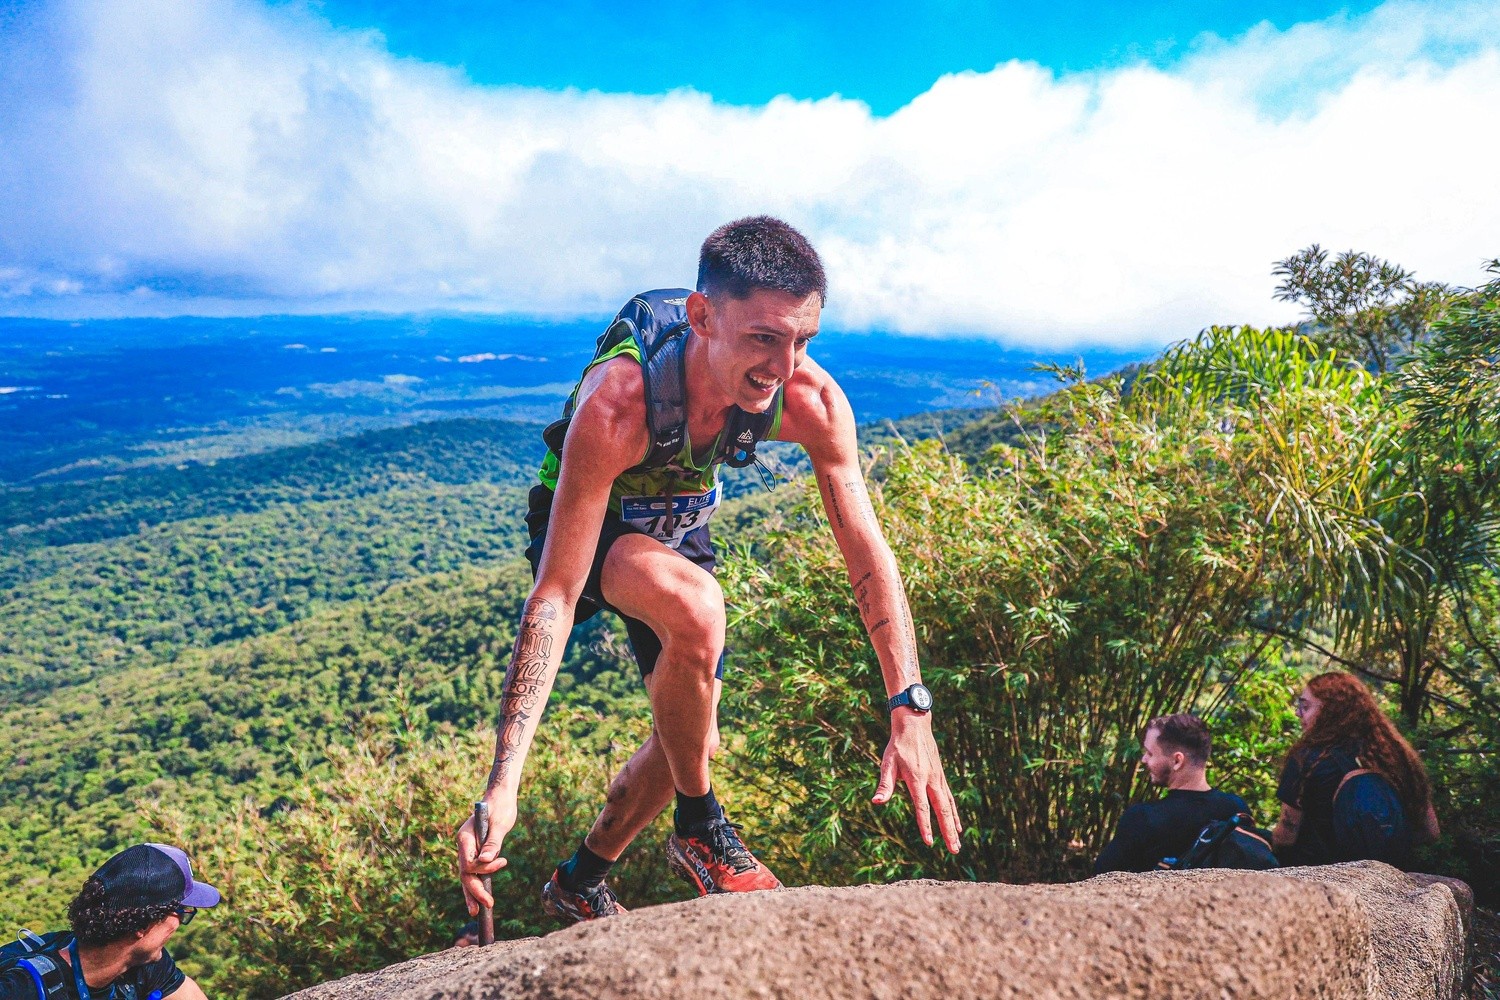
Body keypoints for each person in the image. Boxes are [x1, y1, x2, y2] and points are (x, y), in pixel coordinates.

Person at [455, 216, 962, 923]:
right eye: (763, 337)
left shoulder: (808, 398)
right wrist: (501, 785)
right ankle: (700, 827)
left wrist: (909, 706)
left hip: (675, 528)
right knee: (699, 606)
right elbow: (556, 596)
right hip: (587, 523)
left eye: (801, 340)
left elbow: (868, 552)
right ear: (700, 316)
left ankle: (579, 881)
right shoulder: (620, 405)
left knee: (691, 735)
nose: (784, 366)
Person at [0, 843, 218, 1000]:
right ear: (142, 926)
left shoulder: (147, 965)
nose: (179, 923)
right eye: (180, 912)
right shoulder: (22, 989)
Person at [1272, 671, 1440, 866]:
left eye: (1305, 706)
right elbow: (1431, 831)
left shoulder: (1307, 758)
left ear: (1330, 710)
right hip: (1390, 873)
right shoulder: (1394, 755)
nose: (1298, 714)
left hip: (1317, 873)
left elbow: (1286, 836)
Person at [1094, 714, 1252, 874]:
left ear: (1177, 761)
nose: (1143, 759)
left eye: (1150, 753)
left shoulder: (1142, 818)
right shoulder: (1236, 810)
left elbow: (1100, 876)